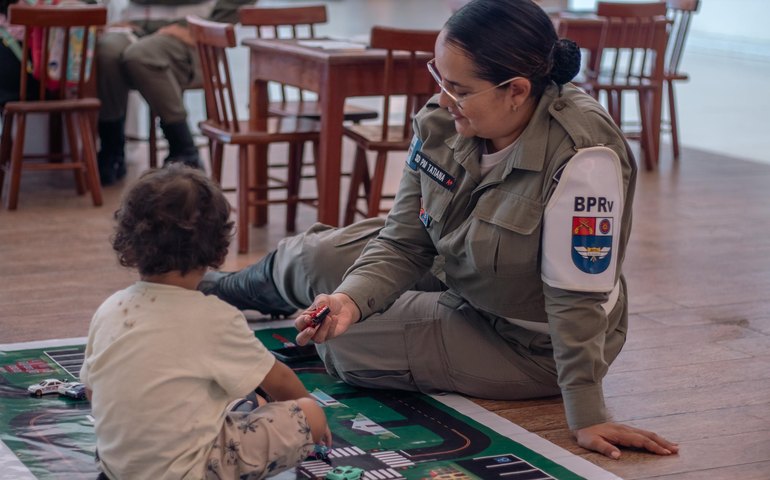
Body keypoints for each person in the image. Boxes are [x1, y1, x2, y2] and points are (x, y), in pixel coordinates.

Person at [200, 0, 679, 460]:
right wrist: (350, 299)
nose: (444, 98)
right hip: (457, 268)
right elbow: (405, 239)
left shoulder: (584, 155)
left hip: (526, 340)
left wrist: (587, 411)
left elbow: (576, 297)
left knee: (348, 342)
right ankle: (220, 292)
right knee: (314, 261)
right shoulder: (444, 120)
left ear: (515, 90)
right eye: (440, 78)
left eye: (461, 89)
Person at [80, 165, 329, 479]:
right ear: (217, 248)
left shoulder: (110, 308)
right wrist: (306, 410)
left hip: (117, 467)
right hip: (193, 472)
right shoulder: (215, 317)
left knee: (230, 397)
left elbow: (93, 392)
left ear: (129, 241)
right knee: (311, 414)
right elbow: (279, 381)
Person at [95, 0, 252, 185]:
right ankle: (112, 149)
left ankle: (184, 148)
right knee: (106, 53)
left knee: (141, 55)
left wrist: (210, 25)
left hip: (188, 35)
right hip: (134, 25)